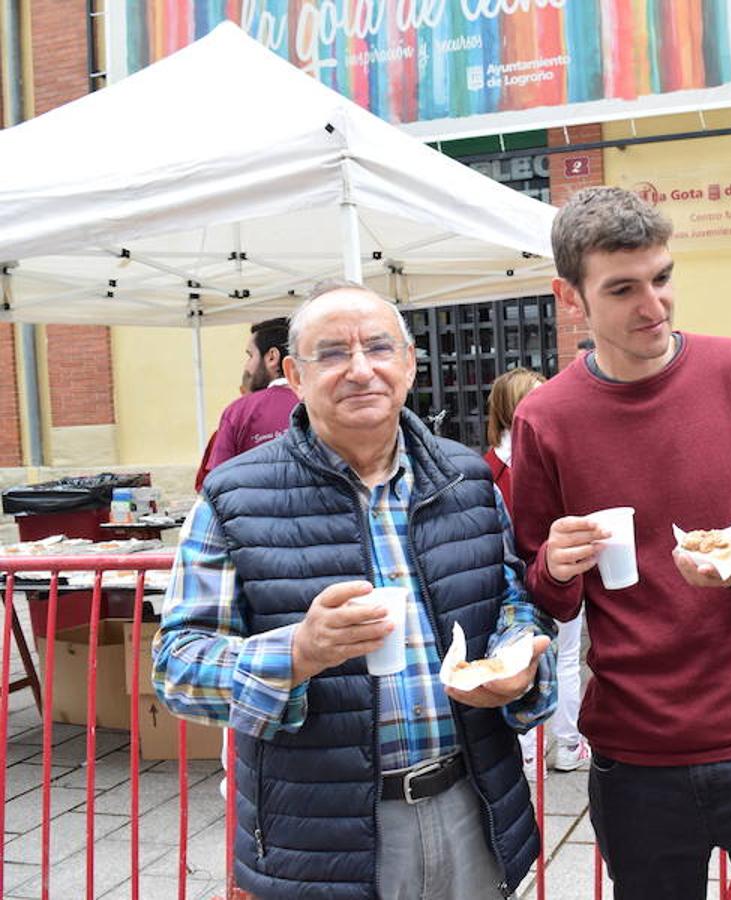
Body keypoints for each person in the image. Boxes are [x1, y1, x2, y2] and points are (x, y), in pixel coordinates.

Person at [153, 281, 557, 899]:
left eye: (378, 347)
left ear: (410, 362)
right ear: (291, 372)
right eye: (333, 353)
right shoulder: (233, 498)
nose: (361, 369)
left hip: (471, 809)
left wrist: (518, 655)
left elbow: (511, 601)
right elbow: (176, 667)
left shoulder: (468, 481)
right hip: (322, 837)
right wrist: (297, 652)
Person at [510, 186, 731, 899]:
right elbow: (540, 585)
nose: (654, 306)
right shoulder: (545, 418)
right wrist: (557, 566)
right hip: (636, 753)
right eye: (624, 289)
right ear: (570, 298)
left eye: (662, 278)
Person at [485, 366, 592, 774]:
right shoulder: (553, 454)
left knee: (520, 661)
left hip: (514, 577)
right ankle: (567, 744)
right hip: (551, 573)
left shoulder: (488, 465)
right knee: (562, 659)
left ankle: (529, 753)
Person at [199, 317, 298, 482]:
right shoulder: (323, 405)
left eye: (250, 355)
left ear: (272, 357)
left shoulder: (237, 412)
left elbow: (217, 483)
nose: (247, 366)